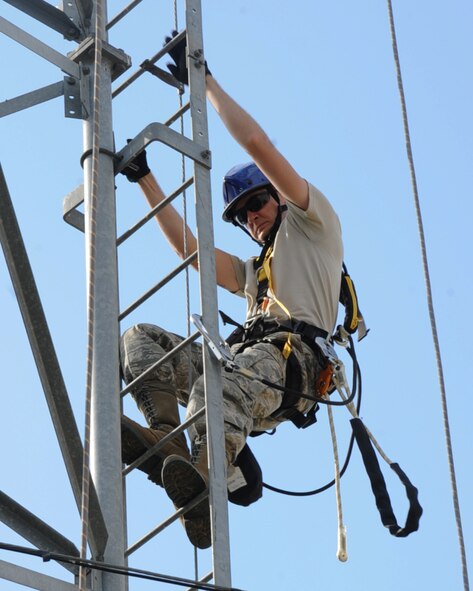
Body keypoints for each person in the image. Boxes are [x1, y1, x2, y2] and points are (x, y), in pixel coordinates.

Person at [119, 32, 344, 549]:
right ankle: (172, 445)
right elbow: (192, 253)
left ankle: (205, 476)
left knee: (214, 385)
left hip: (295, 365)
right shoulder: (255, 271)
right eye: (243, 215)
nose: (253, 216)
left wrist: (206, 82)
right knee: (142, 342)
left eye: (259, 202)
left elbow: (258, 147)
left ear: (279, 199)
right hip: (245, 364)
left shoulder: (314, 226)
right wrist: (144, 179)